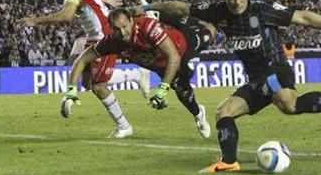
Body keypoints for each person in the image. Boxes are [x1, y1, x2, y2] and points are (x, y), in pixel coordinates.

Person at [132, 0, 321, 173]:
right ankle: (229, 161)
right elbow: (180, 7)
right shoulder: (218, 11)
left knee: (288, 104)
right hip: (255, 78)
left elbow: (304, 18)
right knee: (224, 112)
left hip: (275, 67)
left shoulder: (262, 9)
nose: (237, 2)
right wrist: (149, 7)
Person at [18, 0, 135, 138]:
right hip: (93, 34)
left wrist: (36, 20)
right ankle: (136, 75)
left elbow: (66, 16)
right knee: (88, 82)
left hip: (104, 33)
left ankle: (124, 126)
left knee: (99, 86)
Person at [63, 8, 214, 139]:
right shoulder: (112, 42)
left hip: (183, 46)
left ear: (131, 20)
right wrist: (71, 90)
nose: (122, 33)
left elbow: (173, 56)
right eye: (116, 29)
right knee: (184, 94)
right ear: (110, 28)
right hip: (162, 66)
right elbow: (82, 59)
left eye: (124, 26)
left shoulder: (147, 27)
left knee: (207, 35)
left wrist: (162, 89)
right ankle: (198, 113)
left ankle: (190, 19)